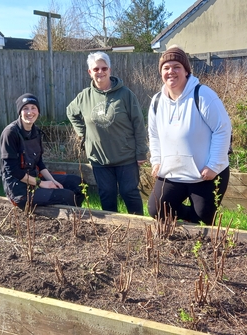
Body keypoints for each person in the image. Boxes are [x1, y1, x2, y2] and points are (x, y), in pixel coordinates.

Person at [147, 45, 232, 225]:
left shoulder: (202, 95)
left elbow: (222, 129)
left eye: (176, 66)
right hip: (173, 173)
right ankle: (189, 221)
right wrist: (156, 160)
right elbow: (154, 135)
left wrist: (214, 165)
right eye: (166, 68)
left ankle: (197, 222)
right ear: (161, 72)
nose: (171, 71)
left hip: (204, 174)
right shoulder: (156, 102)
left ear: (186, 71)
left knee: (204, 218)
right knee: (156, 209)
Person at [66, 51, 148, 215]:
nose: (100, 72)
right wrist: (83, 133)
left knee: (129, 193)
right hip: (99, 158)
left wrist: (141, 152)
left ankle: (140, 228)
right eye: (96, 69)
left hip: (125, 156)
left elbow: (138, 124)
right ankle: (112, 230)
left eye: (104, 68)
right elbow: (71, 112)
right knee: (107, 195)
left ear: (110, 70)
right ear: (90, 72)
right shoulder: (84, 96)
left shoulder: (125, 95)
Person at [0, 93, 85, 210]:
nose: (30, 112)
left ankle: (77, 216)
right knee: (67, 196)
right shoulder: (10, 133)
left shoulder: (36, 132)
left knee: (78, 184)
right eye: (25, 108)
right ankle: (65, 221)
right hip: (19, 189)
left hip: (34, 178)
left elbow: (39, 162)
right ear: (19, 112)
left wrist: (52, 181)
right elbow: (12, 171)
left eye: (33, 108)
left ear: (38, 111)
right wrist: (41, 183)